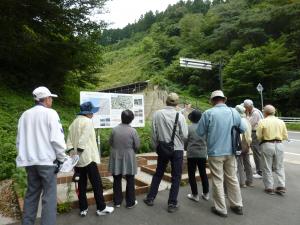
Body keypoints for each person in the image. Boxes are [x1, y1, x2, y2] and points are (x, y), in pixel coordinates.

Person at [16, 86, 68, 225]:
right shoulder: (50, 113)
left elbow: (19, 140)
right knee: (49, 198)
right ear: (46, 99)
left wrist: (23, 157)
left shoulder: (24, 115)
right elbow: (57, 139)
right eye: (51, 98)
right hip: (47, 162)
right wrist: (62, 158)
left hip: (30, 162)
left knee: (31, 195)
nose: (52, 100)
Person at [196, 90, 246, 217]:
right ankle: (237, 205)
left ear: (212, 101)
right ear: (225, 99)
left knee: (218, 179)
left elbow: (199, 132)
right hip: (231, 151)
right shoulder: (233, 112)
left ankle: (221, 209)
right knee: (232, 178)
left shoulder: (208, 113)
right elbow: (243, 128)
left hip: (215, 152)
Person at [66, 101, 114, 217]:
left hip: (77, 160)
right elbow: (83, 139)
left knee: (81, 184)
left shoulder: (73, 123)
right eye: (92, 111)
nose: (93, 114)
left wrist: (73, 154)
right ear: (87, 112)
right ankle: (101, 208)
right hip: (88, 158)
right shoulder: (87, 122)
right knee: (96, 183)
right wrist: (79, 152)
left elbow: (68, 142)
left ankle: (83, 208)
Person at [144, 92, 188, 213]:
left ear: (166, 101)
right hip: (177, 149)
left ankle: (150, 198)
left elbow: (153, 132)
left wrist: (156, 147)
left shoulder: (157, 114)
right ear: (177, 103)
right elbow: (185, 135)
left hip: (162, 148)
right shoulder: (181, 116)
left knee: (158, 173)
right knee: (176, 176)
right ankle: (172, 204)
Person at [108, 109, 140, 208]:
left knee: (117, 179)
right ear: (131, 119)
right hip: (129, 156)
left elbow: (110, 142)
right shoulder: (133, 131)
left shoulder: (114, 129)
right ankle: (130, 202)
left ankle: (117, 201)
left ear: (121, 118)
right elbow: (137, 146)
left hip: (116, 155)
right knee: (130, 179)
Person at [256, 105, 288, 195]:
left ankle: (269, 187)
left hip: (267, 144)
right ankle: (281, 185)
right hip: (279, 144)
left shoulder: (262, 121)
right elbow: (285, 136)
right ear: (274, 112)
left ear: (265, 112)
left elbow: (259, 136)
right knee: (280, 166)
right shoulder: (281, 122)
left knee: (267, 167)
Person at [185, 110, 209, 202]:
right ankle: (206, 193)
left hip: (191, 154)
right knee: (203, 173)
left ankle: (195, 195)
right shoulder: (205, 128)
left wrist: (186, 148)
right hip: (202, 153)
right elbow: (207, 140)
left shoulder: (189, 128)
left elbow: (185, 141)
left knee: (191, 174)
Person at [244, 99, 264, 178]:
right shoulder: (255, 111)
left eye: (245, 107)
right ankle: (260, 170)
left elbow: (249, 124)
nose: (245, 109)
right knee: (257, 152)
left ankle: (260, 171)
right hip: (255, 133)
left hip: (255, 133)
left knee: (256, 152)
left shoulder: (255, 113)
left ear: (248, 107)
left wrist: (246, 116)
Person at [235, 105, 253, 188]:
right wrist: (249, 144)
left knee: (240, 163)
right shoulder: (247, 121)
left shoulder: (237, 121)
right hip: (247, 143)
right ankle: (250, 181)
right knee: (247, 162)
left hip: (240, 143)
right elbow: (250, 134)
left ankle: (242, 182)